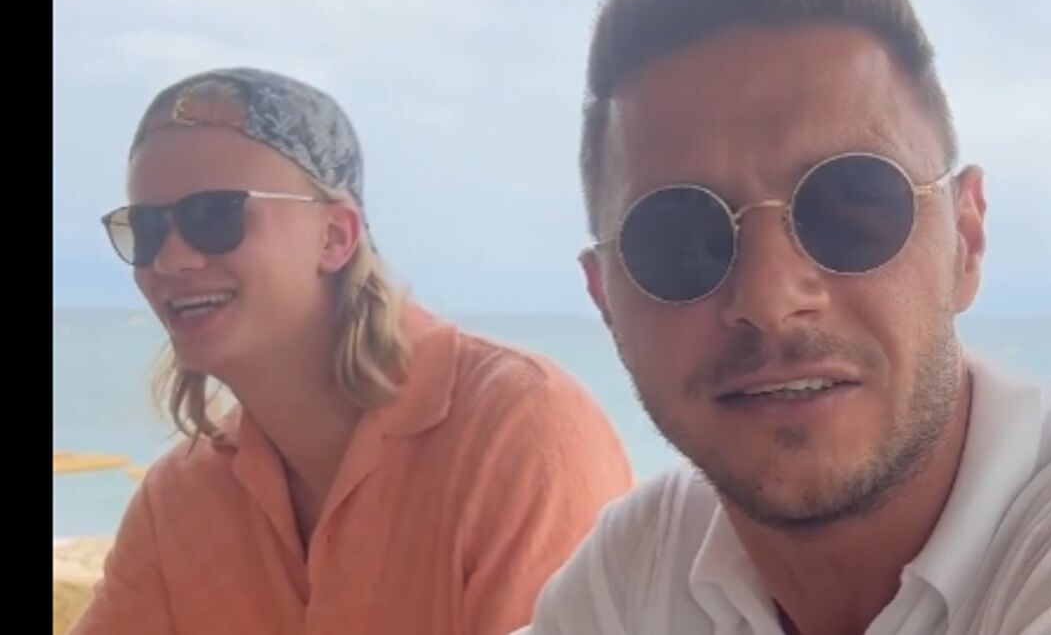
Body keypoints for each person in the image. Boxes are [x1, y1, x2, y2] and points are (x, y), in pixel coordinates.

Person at [519, 0, 1051, 633]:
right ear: (607, 303)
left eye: (850, 207)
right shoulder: (640, 567)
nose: (770, 298)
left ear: (966, 240)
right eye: (678, 241)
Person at [73, 67, 634, 635]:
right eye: (146, 229)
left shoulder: (517, 433)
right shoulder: (180, 500)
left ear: (336, 236)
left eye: (214, 216)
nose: (171, 260)